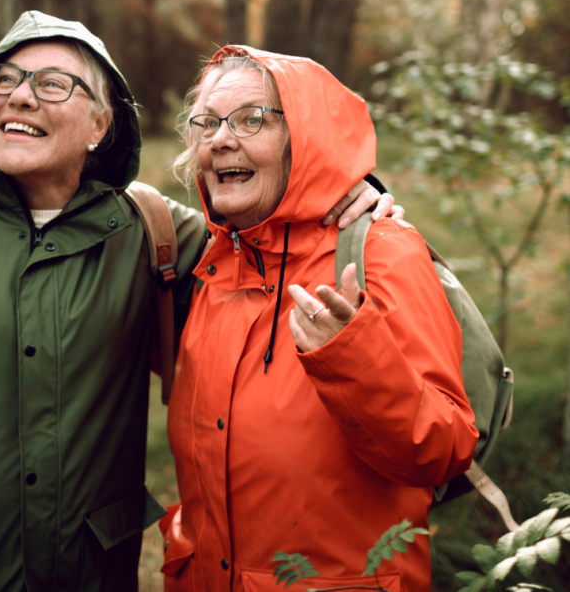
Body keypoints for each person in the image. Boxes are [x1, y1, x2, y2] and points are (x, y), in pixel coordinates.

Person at [0, 12, 398, 592]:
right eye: (2, 79)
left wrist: (348, 189)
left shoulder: (155, 232)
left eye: (52, 83)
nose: (19, 95)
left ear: (99, 123)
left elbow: (268, 233)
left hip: (88, 567)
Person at [162, 46, 479, 592]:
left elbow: (446, 446)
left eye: (251, 118)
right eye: (207, 122)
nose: (219, 139)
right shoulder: (210, 265)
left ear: (305, 138)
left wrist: (351, 357)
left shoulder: (380, 252)